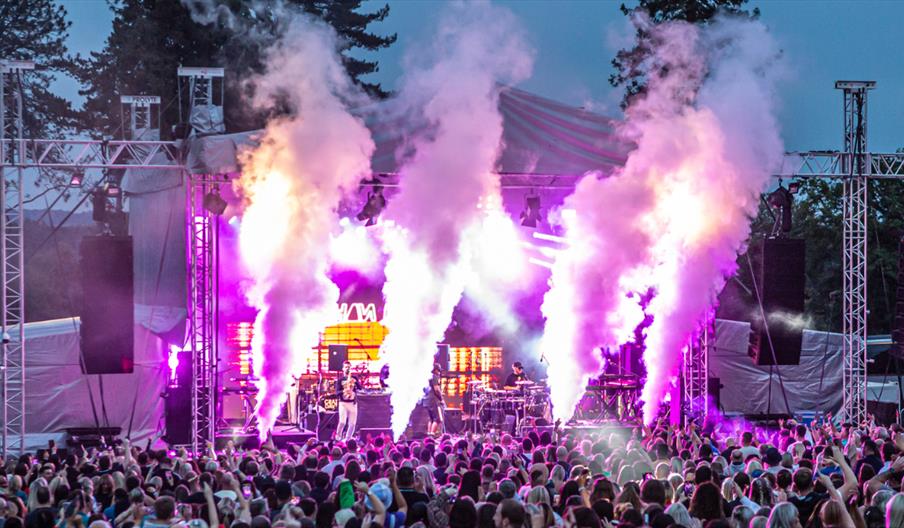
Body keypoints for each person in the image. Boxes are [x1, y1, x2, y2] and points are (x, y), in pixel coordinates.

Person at [335, 361, 361, 441]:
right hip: (343, 403)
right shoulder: (340, 380)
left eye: (349, 367)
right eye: (346, 367)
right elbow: (337, 393)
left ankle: (348, 439)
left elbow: (360, 388)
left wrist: (356, 382)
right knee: (342, 422)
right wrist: (344, 391)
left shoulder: (354, 378)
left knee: (352, 424)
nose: (347, 368)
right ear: (343, 368)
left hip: (352, 403)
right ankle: (338, 437)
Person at [424, 363, 445, 437]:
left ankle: (429, 436)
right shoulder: (435, 377)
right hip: (434, 401)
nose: (439, 373)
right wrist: (441, 399)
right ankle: (432, 435)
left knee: (431, 419)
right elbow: (436, 389)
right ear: (435, 370)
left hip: (427, 400)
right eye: (438, 371)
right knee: (437, 419)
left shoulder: (427, 377)